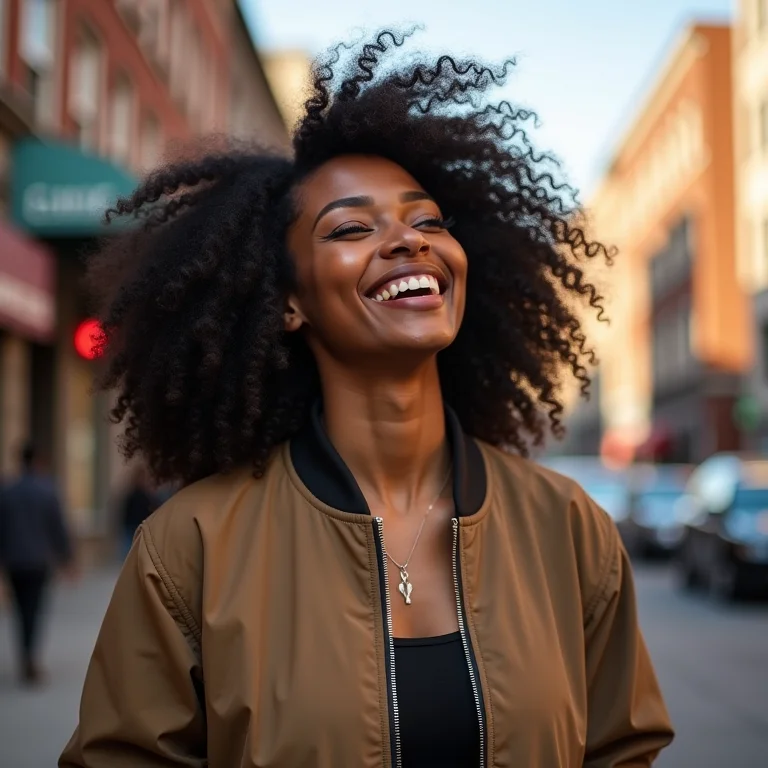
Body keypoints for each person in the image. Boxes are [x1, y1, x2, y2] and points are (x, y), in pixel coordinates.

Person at [60, 30, 674, 768]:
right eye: (352, 228)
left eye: (428, 221)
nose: (409, 241)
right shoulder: (190, 547)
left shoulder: (569, 528)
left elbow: (622, 752)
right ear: (287, 302)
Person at [0, 442, 75, 684]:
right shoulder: (47, 490)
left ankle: (25, 654)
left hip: (14, 561)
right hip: (39, 561)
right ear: (38, 462)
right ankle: (30, 657)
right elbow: (58, 527)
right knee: (34, 609)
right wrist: (67, 559)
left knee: (21, 610)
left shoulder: (7, 491)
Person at [118, 464, 159, 559]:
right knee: (129, 552)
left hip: (139, 527)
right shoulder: (134, 494)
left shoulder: (146, 496)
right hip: (131, 526)